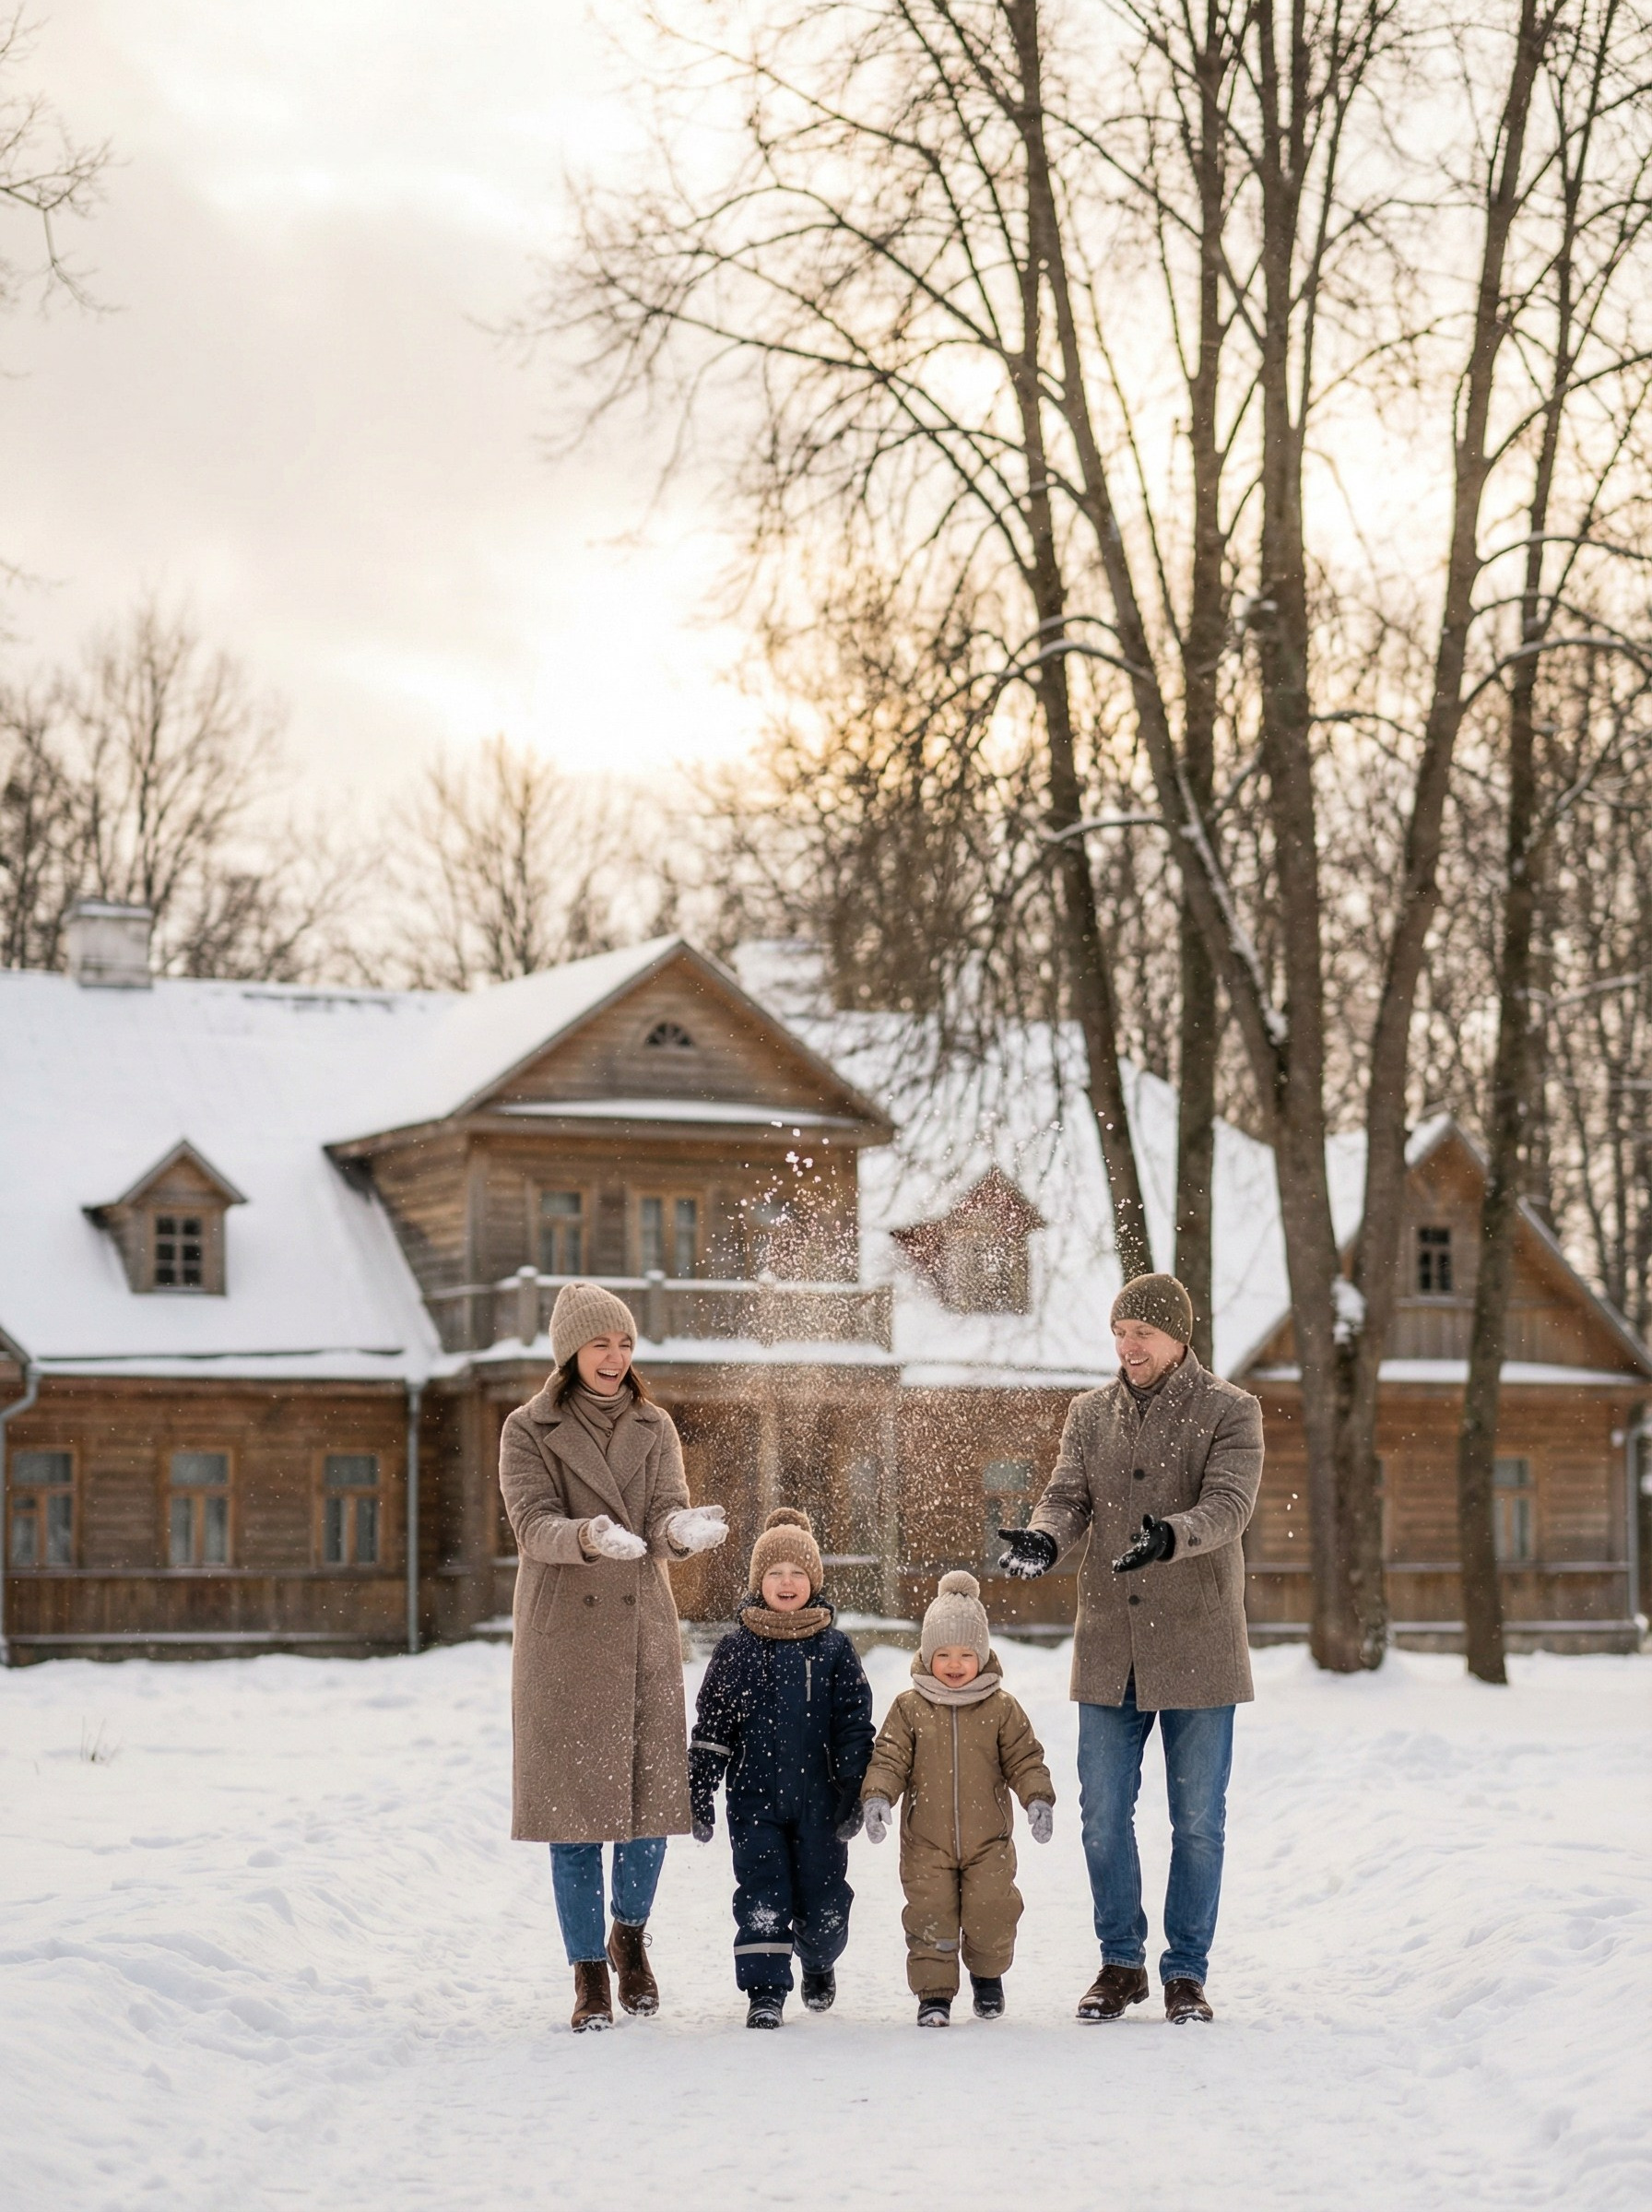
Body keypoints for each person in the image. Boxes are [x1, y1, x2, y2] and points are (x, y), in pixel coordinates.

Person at [998, 1272, 1263, 2027]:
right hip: (1111, 1643)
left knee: (1198, 1821)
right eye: (1119, 1332)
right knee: (1102, 1815)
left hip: (1201, 1642)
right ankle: (1121, 1962)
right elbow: (1067, 1497)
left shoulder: (1230, 1409)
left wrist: (1171, 1535)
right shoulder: (1090, 1413)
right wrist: (1045, 1537)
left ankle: (1185, 1972)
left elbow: (1230, 1505)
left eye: (1141, 1332)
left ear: (1178, 1336)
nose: (1127, 1346)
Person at [498, 1281, 730, 2033]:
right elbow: (532, 1523)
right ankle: (587, 1973)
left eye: (624, 1342)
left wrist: (679, 1532)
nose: (615, 1356)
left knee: (648, 1810)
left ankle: (628, 1936)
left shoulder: (654, 1424)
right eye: (601, 1343)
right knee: (573, 1817)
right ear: (571, 1351)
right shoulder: (527, 1428)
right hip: (562, 1639)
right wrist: (588, 1536)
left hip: (639, 1635)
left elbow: (662, 1513)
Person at [689, 1507, 875, 2029]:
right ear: (758, 1582)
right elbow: (713, 1726)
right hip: (755, 1801)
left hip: (822, 1802)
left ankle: (818, 1960)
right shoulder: (736, 1650)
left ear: (814, 1581)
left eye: (797, 1572)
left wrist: (855, 1789)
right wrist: (699, 1790)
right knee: (762, 1895)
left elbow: (854, 1726)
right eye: (775, 1573)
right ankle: (765, 1992)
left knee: (825, 1903)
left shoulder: (834, 1648)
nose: (786, 1582)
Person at [860, 1569, 1055, 2027]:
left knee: (993, 1910)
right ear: (927, 1655)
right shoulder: (909, 1707)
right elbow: (889, 1757)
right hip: (925, 1842)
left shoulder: (1001, 1707)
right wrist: (878, 1796)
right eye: (943, 1654)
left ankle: (987, 1977)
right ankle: (934, 1995)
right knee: (930, 1915)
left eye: (966, 1654)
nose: (954, 1664)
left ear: (982, 1656)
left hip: (989, 1841)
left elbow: (1025, 1759)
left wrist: (1037, 1798)